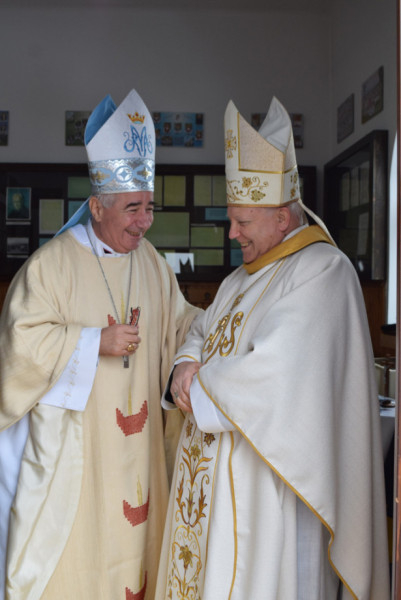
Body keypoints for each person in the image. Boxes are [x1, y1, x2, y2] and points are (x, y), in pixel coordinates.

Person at [155, 97, 390, 599]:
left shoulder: (322, 271)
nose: (232, 232)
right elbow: (203, 328)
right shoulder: (242, 276)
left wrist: (199, 387)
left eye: (243, 222)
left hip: (272, 494)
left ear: (283, 218)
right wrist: (186, 362)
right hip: (221, 494)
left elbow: (276, 374)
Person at [0, 89, 199, 600]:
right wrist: (92, 342)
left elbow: (181, 325)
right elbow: (21, 343)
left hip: (142, 455)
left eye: (149, 207)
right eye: (132, 208)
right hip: (81, 461)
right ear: (96, 206)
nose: (144, 221)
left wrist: (206, 343)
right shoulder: (51, 267)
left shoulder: (152, 263)